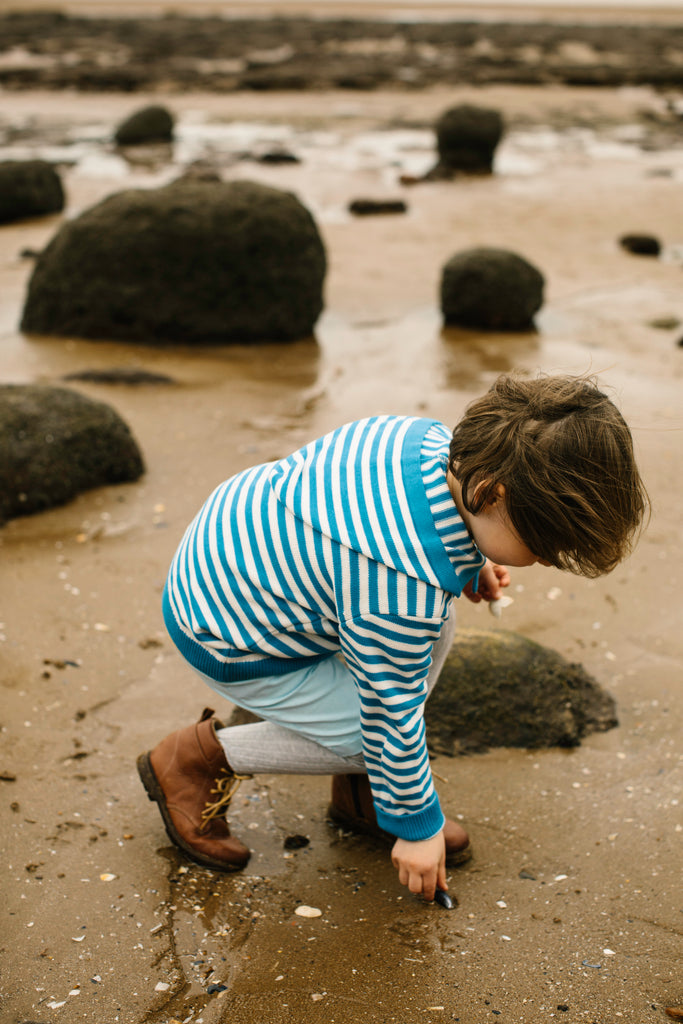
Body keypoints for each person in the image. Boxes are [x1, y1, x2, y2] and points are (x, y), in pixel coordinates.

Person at [137, 372, 648, 902]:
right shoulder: (399, 589)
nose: (545, 559)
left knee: (430, 628)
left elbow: (379, 526)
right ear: (490, 493)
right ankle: (198, 759)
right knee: (373, 733)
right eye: (544, 543)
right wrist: (417, 829)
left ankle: (367, 797)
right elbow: (388, 710)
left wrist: (471, 569)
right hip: (233, 636)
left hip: (231, 559)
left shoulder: (421, 441)